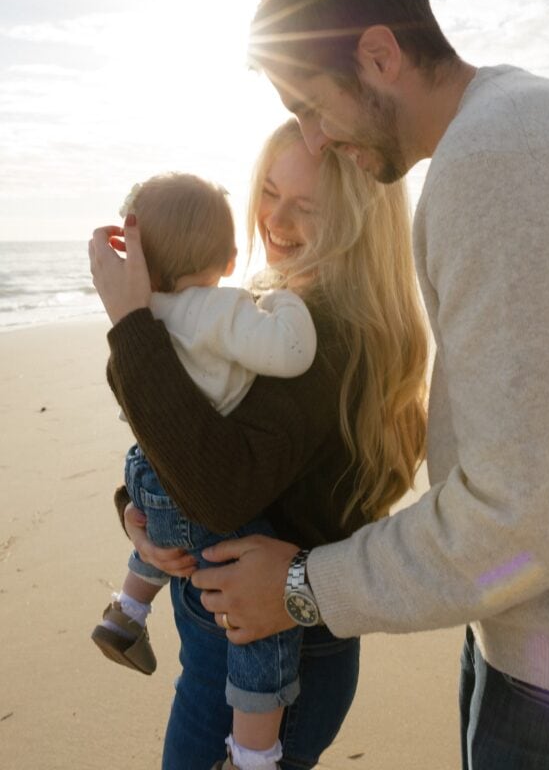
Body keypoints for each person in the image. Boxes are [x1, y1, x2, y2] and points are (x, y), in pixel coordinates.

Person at [188, 0, 549, 768]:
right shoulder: (525, 124)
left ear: (379, 55)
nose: (311, 140)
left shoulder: (499, 162)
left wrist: (305, 589)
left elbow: (518, 517)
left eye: (309, 106)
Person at [89, 119, 428, 770]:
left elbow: (220, 490)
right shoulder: (283, 311)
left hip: (274, 651)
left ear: (358, 221)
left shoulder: (322, 336)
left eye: (305, 206)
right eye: (269, 191)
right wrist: (144, 514)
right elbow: (198, 433)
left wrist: (133, 325)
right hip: (240, 627)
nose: (274, 218)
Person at [92, 171, 318, 770]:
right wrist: (284, 297)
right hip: (199, 501)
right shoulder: (219, 311)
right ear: (228, 256)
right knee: (261, 621)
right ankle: (252, 753)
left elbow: (139, 405)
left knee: (165, 524)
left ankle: (128, 611)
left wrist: (134, 510)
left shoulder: (143, 315)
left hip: (148, 474)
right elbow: (291, 353)